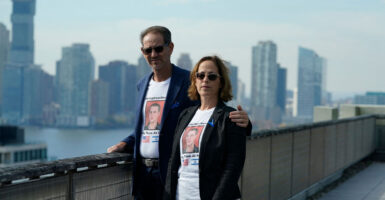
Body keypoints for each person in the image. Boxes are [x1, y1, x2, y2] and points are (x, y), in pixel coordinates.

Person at [107, 26, 251, 200]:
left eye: (159, 48)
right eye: (148, 50)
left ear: (170, 47)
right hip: (145, 174)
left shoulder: (187, 81)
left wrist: (245, 123)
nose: (154, 54)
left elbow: (213, 113)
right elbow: (147, 126)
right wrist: (125, 143)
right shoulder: (142, 84)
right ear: (142, 52)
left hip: (171, 172)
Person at [164, 55, 248, 200]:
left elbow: (233, 167)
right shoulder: (185, 115)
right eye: (200, 75)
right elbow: (173, 159)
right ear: (194, 81)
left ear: (221, 82)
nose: (205, 80)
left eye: (212, 76)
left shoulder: (230, 117)